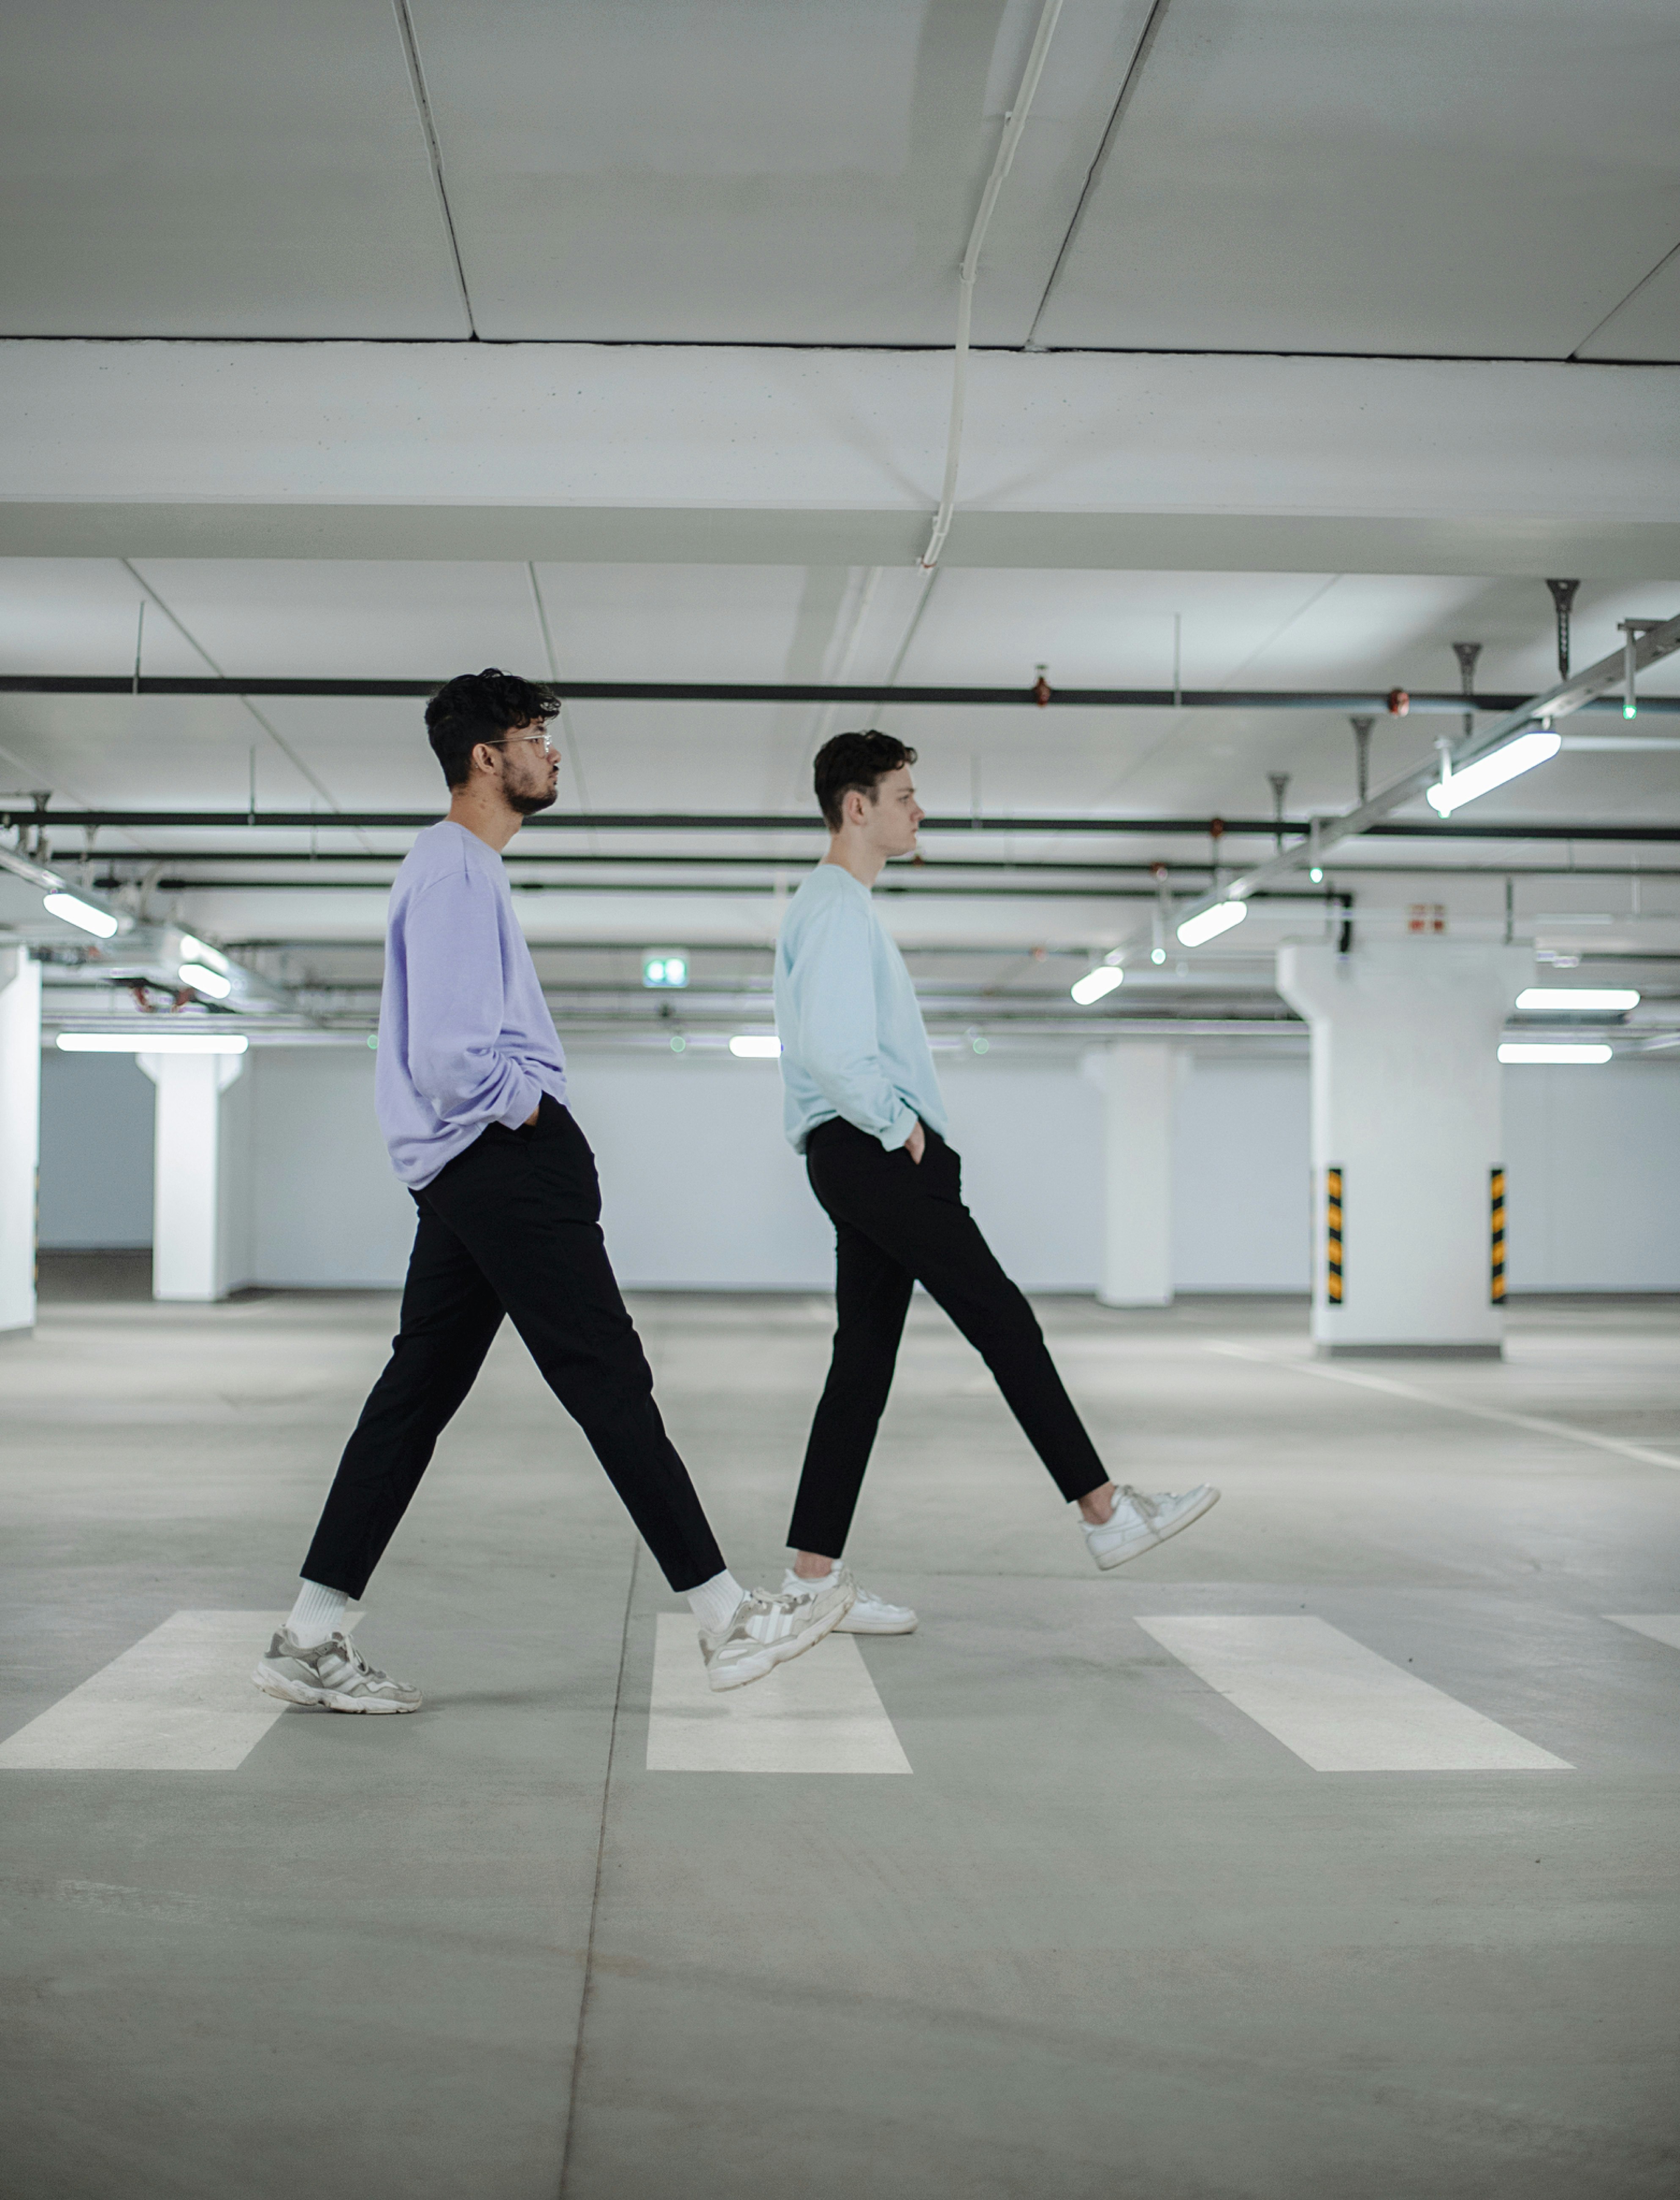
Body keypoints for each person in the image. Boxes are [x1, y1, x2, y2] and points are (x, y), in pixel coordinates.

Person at [253, 669, 853, 1713]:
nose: (552, 751)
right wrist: (532, 1110)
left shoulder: (461, 869)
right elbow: (449, 1058)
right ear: (489, 757)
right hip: (497, 1160)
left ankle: (308, 1634)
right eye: (535, 735)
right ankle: (725, 1617)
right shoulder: (455, 871)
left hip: (467, 1169)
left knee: (415, 1397)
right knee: (606, 1373)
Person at [771, 729, 1219, 1630]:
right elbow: (830, 1050)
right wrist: (903, 1131)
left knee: (862, 1360)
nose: (917, 810)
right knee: (1000, 1317)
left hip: (855, 1155)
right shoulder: (834, 910)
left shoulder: (839, 907)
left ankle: (813, 1579)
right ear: (857, 807)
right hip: (873, 1149)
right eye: (903, 795)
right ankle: (1103, 1513)